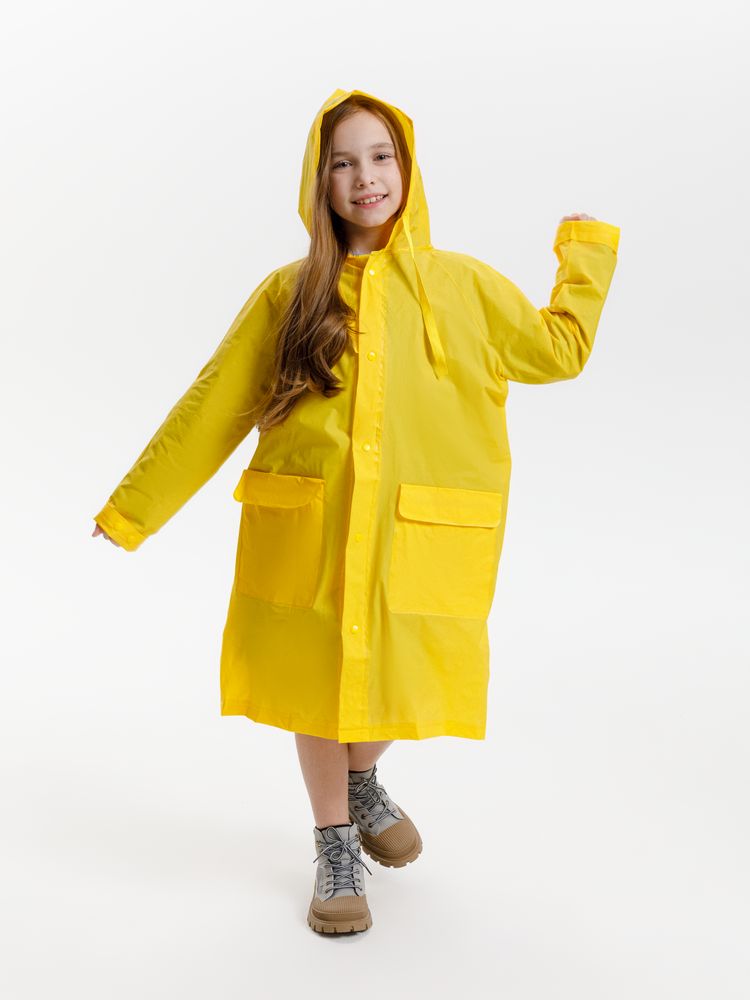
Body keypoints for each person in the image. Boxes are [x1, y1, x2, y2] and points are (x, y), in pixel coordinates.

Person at [92, 87, 620, 936]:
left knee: (402, 671)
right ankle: (335, 841)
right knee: (316, 690)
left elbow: (559, 350)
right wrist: (134, 509)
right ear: (319, 181)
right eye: (342, 163)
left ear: (407, 169)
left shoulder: (463, 287)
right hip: (310, 530)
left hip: (418, 536)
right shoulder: (290, 294)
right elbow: (214, 405)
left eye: (380, 157)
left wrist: (584, 255)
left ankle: (361, 780)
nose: (364, 177)